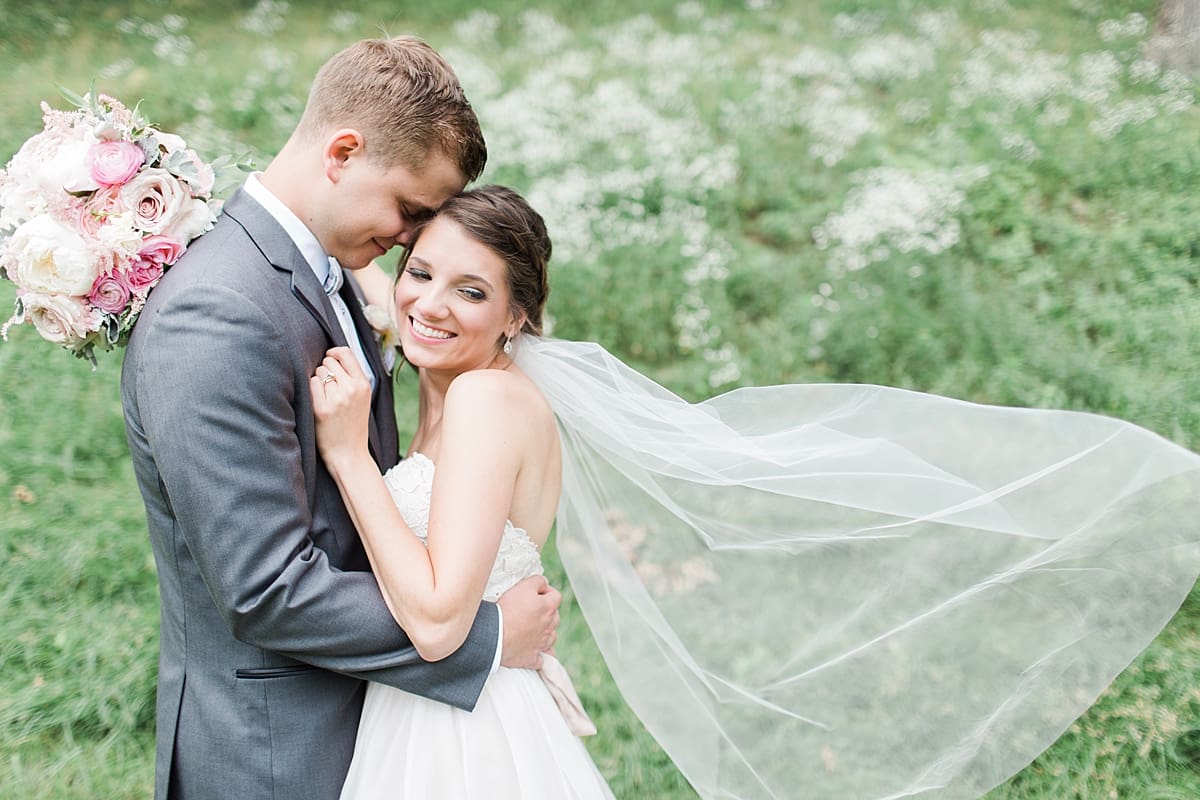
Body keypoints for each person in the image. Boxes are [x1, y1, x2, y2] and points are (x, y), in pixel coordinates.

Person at [312, 184, 1200, 800]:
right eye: (421, 272)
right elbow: (390, 294)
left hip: (462, 733)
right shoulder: (468, 383)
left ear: (517, 316)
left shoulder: (485, 402)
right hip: (451, 707)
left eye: (472, 290)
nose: (431, 303)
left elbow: (439, 623)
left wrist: (351, 458)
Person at [120, 39, 560, 800]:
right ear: (344, 152)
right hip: (274, 753)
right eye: (411, 212)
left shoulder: (333, 272)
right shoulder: (217, 311)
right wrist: (487, 638)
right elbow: (264, 588)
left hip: (379, 727)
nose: (409, 240)